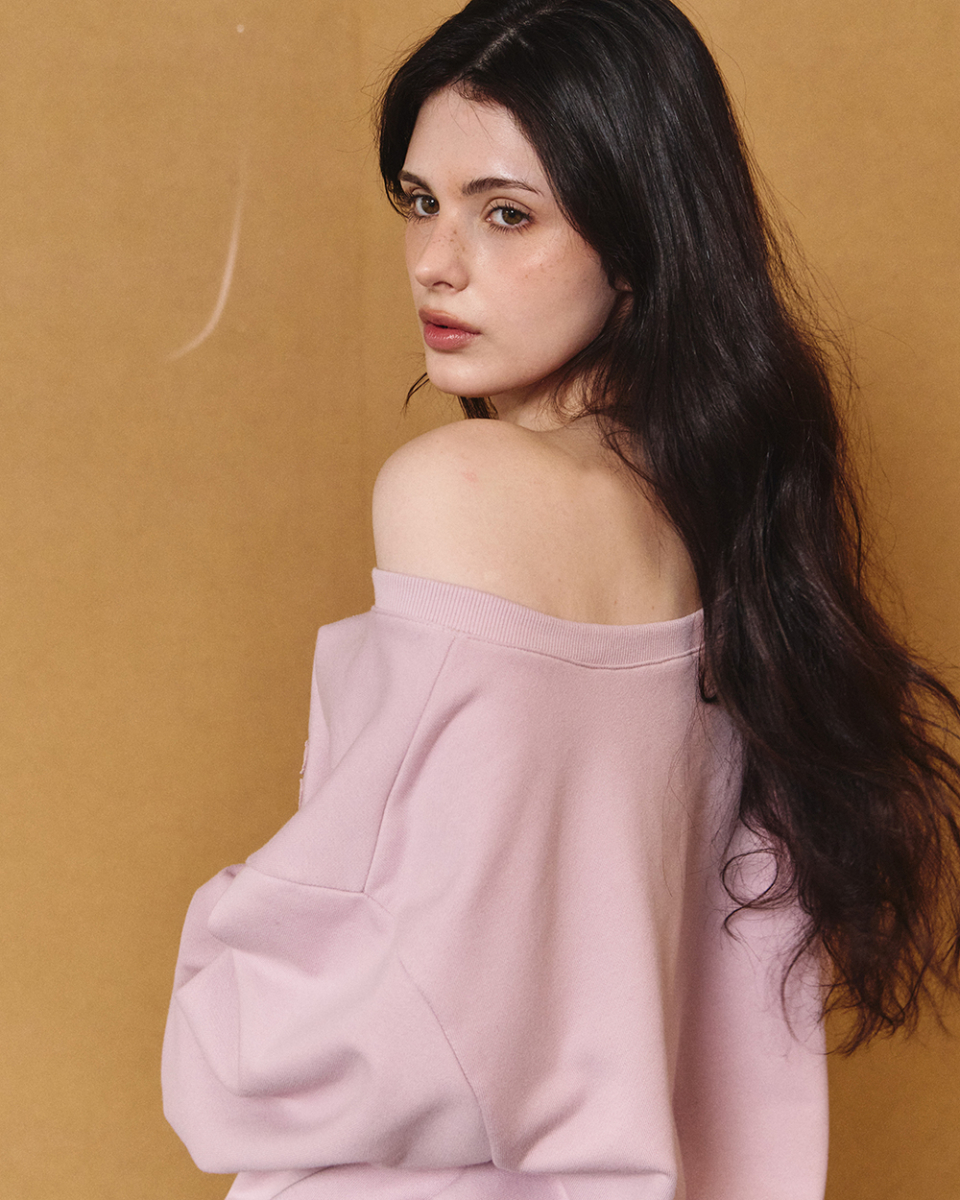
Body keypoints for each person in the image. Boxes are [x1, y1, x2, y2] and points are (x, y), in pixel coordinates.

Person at [162, 2, 960, 1198]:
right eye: (421, 202)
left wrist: (219, 1002)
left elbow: (395, 997)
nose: (434, 262)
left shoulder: (462, 489)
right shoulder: (729, 523)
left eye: (506, 214)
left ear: (637, 244)